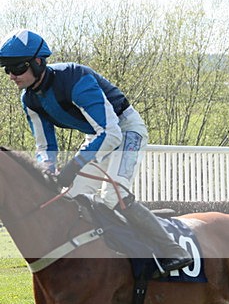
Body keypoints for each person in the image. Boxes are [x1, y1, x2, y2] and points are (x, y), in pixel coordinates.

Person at [0, 28, 192, 275]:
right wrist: (46, 173)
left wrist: (74, 165)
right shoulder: (29, 100)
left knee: (113, 196)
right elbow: (46, 146)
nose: (11, 76)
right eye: (6, 69)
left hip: (126, 131)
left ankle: (171, 249)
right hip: (98, 136)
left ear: (38, 62)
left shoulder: (74, 79)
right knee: (70, 200)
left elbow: (111, 133)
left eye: (17, 68)